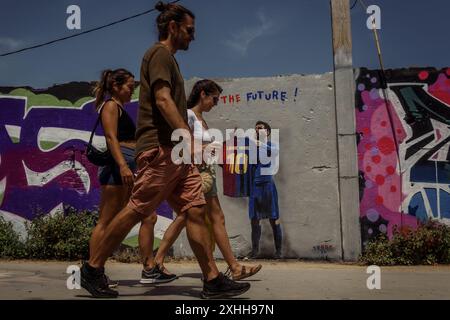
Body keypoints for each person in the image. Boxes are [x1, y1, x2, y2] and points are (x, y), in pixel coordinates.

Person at [80, 1, 250, 299]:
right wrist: (188, 136)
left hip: (176, 153)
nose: (193, 36)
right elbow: (162, 100)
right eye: (189, 30)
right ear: (173, 27)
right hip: (161, 149)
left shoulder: (169, 59)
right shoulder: (158, 54)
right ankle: (92, 269)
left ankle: (212, 279)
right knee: (137, 210)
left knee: (195, 210)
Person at [153, 80, 262, 281]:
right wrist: (203, 154)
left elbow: (204, 149)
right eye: (215, 99)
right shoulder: (189, 116)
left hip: (206, 172)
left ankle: (156, 261)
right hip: (197, 173)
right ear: (202, 94)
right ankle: (234, 267)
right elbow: (182, 145)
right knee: (210, 217)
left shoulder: (201, 119)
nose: (216, 103)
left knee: (186, 217)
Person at [90, 68, 171, 287]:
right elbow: (110, 137)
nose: (132, 90)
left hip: (127, 165)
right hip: (118, 167)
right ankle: (94, 272)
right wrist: (123, 165)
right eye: (129, 86)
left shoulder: (120, 108)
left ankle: (149, 268)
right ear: (116, 86)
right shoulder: (110, 106)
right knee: (106, 221)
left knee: (148, 216)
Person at [248, 121, 282, 259]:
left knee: (274, 219)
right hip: (254, 187)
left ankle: (278, 251)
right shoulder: (252, 147)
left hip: (268, 186)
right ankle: (255, 251)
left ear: (267, 132)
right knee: (254, 220)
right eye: (256, 129)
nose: (257, 130)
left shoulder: (271, 145)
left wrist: (259, 144)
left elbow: (274, 152)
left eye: (260, 128)